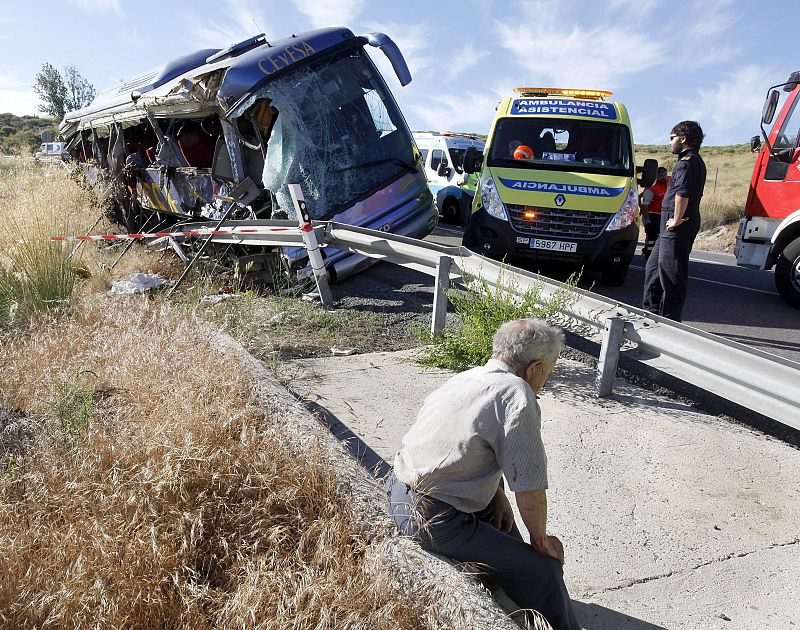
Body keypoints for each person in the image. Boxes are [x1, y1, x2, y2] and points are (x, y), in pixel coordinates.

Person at [386, 319, 581, 630]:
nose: (548, 377)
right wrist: (541, 543)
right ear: (532, 368)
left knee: (505, 525)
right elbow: (529, 486)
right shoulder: (518, 394)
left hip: (399, 491)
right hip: (432, 517)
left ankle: (513, 588)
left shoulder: (468, 377)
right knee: (543, 571)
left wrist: (497, 495)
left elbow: (470, 449)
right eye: (549, 369)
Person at [642, 121, 707, 321]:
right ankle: (650, 315)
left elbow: (682, 194)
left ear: (683, 138)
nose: (670, 142)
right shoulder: (688, 160)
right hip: (669, 226)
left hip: (676, 225)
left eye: (672, 138)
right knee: (653, 269)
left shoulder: (688, 162)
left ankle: (669, 321)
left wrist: (676, 220)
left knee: (671, 274)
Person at [640, 167, 670, 261]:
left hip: (664, 215)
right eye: (660, 176)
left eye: (665, 175)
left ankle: (650, 252)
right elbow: (645, 205)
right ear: (656, 176)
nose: (663, 177)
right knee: (652, 237)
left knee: (661, 237)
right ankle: (648, 256)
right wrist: (647, 221)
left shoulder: (669, 183)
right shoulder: (651, 189)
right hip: (652, 215)